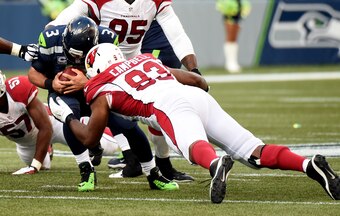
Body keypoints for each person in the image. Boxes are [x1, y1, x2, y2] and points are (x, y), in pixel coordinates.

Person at [49, 43, 340, 203]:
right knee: (255, 151)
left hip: (169, 107)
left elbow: (89, 138)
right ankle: (306, 165)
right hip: (196, 97)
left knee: (192, 147)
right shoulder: (147, 61)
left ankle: (215, 165)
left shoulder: (99, 86)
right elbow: (199, 81)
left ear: (93, 68)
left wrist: (67, 116)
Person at [47, 0, 200, 182]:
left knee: (160, 110)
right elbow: (56, 25)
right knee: (112, 116)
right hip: (99, 70)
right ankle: (124, 157)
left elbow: (177, 36)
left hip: (133, 67)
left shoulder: (153, 3)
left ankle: (161, 163)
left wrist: (194, 70)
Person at [28, 16, 177, 192]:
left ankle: (153, 174)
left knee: (128, 125)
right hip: (65, 92)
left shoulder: (108, 39)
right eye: (72, 55)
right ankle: (86, 170)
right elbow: (33, 73)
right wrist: (50, 83)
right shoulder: (50, 38)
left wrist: (87, 83)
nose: (76, 61)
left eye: (81, 56)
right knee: (69, 116)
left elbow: (117, 75)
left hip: (99, 91)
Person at [216, 0, 251, 73]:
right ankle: (230, 63)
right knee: (230, 37)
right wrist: (227, 9)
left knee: (234, 38)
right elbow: (220, 4)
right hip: (230, 13)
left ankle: (233, 62)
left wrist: (244, 10)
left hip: (237, 12)